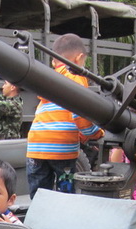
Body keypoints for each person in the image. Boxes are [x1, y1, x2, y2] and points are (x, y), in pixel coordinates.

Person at [26, 33, 104, 198]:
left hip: (36, 147)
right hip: (62, 149)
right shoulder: (76, 77)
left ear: (53, 61)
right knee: (65, 194)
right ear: (79, 58)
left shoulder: (47, 78)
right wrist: (95, 133)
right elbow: (80, 114)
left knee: (39, 196)